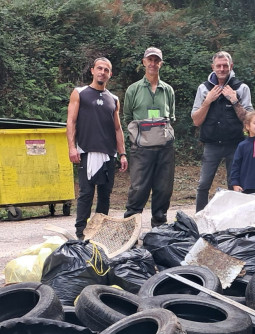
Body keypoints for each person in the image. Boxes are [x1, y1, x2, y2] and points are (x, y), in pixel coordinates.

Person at [66, 57, 128, 240]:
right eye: (99, 68)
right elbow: (71, 121)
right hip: (86, 151)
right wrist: (72, 147)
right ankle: (81, 232)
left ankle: (100, 231)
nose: (102, 72)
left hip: (108, 153)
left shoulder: (114, 99)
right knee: (86, 193)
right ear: (92, 70)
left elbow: (117, 128)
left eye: (106, 70)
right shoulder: (80, 93)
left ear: (110, 74)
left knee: (105, 195)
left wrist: (122, 154)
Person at [191, 51, 254, 212]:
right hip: (211, 145)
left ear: (231, 66)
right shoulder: (204, 89)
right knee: (203, 185)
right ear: (213, 67)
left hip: (235, 145)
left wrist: (234, 100)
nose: (222, 68)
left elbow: (249, 121)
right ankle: (199, 219)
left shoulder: (241, 88)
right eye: (218, 65)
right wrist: (207, 101)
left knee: (234, 184)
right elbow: (196, 121)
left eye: (225, 65)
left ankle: (234, 220)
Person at [122, 46, 176, 227]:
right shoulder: (133, 89)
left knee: (163, 189)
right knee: (138, 189)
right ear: (144, 62)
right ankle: (129, 229)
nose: (153, 63)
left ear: (161, 63)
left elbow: (172, 118)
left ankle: (159, 230)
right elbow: (128, 117)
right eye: (150, 60)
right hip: (141, 149)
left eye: (156, 60)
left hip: (165, 149)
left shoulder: (168, 90)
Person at [229, 112, 255, 194]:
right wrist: (235, 183)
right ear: (247, 126)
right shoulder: (242, 145)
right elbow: (236, 165)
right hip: (244, 185)